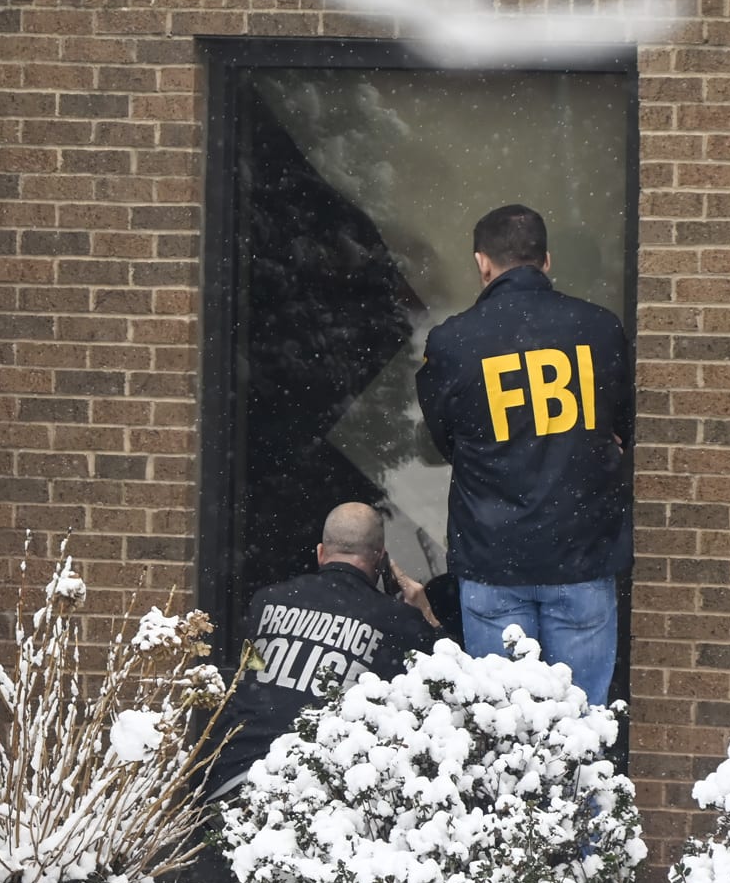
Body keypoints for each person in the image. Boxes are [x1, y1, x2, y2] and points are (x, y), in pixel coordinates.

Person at [414, 204, 634, 706]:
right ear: (547, 261)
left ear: (482, 264)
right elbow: (622, 428)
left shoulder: (453, 342)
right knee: (582, 732)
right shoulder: (599, 329)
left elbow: (444, 441)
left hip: (494, 558)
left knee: (505, 735)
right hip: (581, 554)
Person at [207, 503, 441, 803]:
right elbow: (448, 679)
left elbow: (249, 680)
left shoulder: (266, 602)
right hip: (315, 801)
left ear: (320, 553)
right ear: (380, 560)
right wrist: (426, 616)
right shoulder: (397, 621)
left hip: (231, 782)